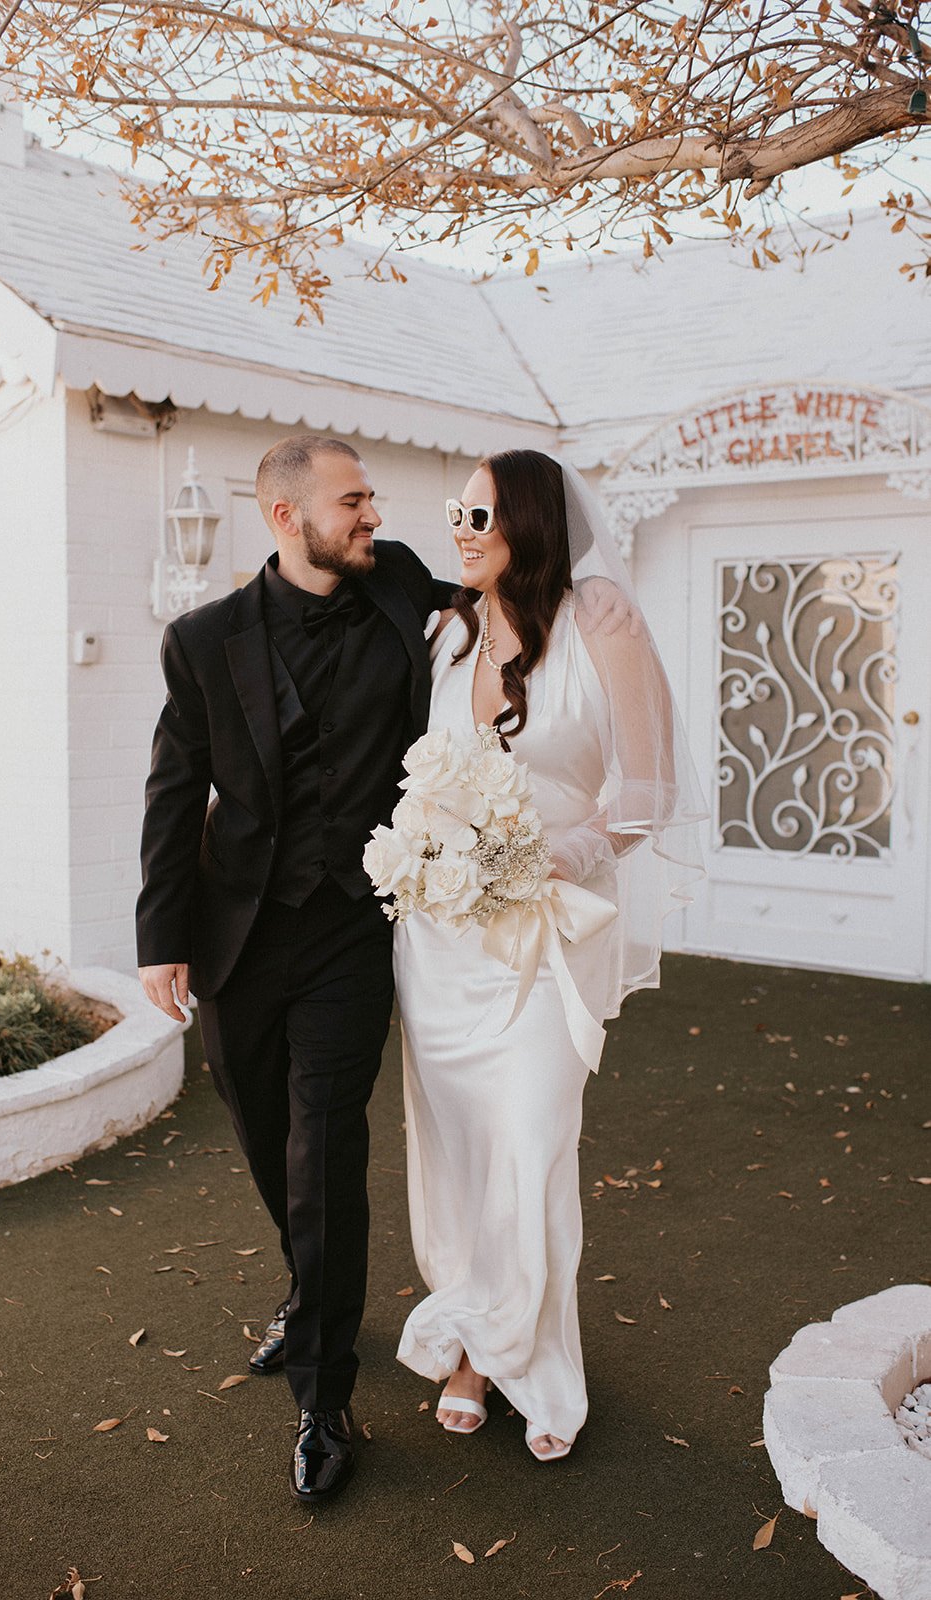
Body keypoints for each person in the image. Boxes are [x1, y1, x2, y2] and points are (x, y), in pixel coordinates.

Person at [136, 434, 636, 1502]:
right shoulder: (202, 641)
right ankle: (307, 1282)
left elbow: (519, 612)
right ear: (287, 519)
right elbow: (174, 789)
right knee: (261, 1126)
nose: (376, 516)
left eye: (372, 499)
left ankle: (324, 1398)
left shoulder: (404, 586)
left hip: (359, 934)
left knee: (327, 1144)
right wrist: (160, 935)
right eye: (352, 502)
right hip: (239, 933)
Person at [393, 449, 704, 1460]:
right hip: (439, 943)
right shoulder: (446, 633)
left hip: (545, 933)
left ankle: (531, 1357)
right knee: (457, 1149)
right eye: (456, 512)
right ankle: (477, 1344)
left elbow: (649, 789)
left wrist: (549, 855)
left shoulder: (600, 619)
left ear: (529, 520)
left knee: (530, 1140)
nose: (462, 529)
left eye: (480, 514)